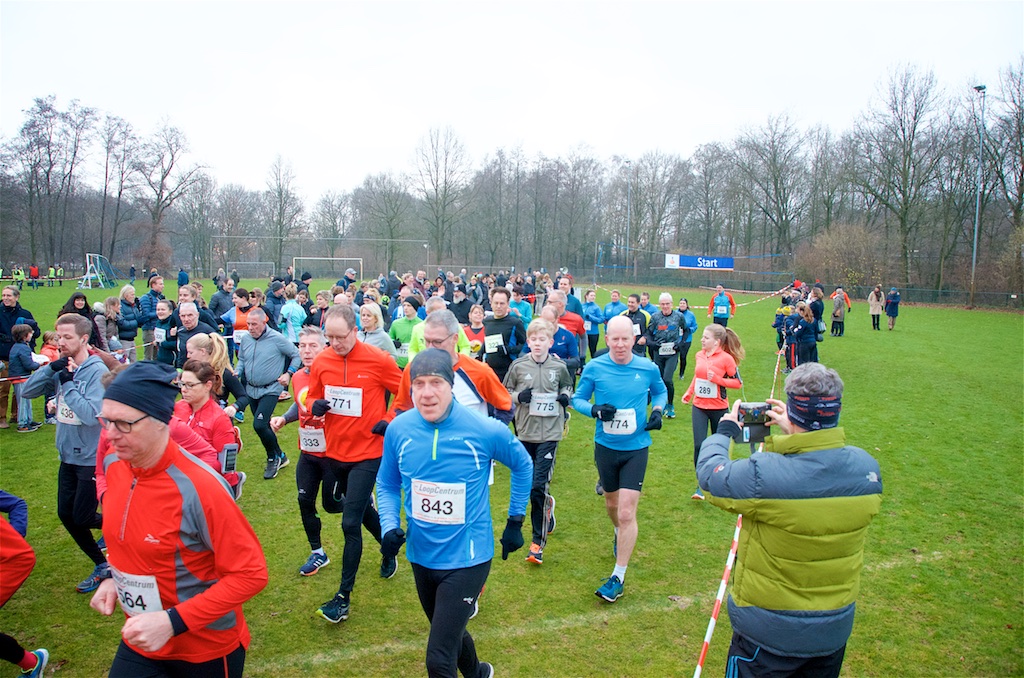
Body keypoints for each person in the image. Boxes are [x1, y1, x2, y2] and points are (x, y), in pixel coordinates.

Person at [696, 363, 882, 678]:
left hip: (768, 635)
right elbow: (811, 477)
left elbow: (711, 477)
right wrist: (794, 434)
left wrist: (725, 431)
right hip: (831, 631)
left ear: (794, 411)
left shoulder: (765, 474)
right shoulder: (867, 469)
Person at [89, 361, 268, 678]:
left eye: (123, 424)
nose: (109, 434)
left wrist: (172, 622)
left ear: (162, 421)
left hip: (204, 649)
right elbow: (132, 539)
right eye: (106, 420)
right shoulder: (114, 465)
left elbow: (251, 574)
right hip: (142, 640)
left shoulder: (201, 489)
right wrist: (112, 577)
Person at [376, 349, 532, 678]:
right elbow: (387, 483)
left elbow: (522, 464)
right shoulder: (399, 430)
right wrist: (388, 525)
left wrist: (515, 521)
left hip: (468, 558)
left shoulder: (484, 429)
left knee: (439, 658)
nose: (427, 393)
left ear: (451, 386)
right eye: (419, 384)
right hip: (421, 554)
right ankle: (478, 673)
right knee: (449, 631)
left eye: (436, 383)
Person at [304, 304, 403, 623]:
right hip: (335, 452)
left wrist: (389, 418)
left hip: (369, 453)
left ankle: (342, 598)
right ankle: (389, 546)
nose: (334, 343)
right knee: (359, 511)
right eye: (329, 337)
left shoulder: (378, 359)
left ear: (355, 331)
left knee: (349, 523)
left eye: (340, 337)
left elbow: (405, 391)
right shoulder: (322, 361)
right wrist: (314, 404)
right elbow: (311, 395)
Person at [572, 316, 667, 602]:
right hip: (606, 447)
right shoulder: (595, 367)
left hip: (636, 448)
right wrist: (594, 410)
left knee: (627, 512)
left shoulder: (647, 367)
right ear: (607, 339)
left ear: (634, 338)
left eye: (626, 339)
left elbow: (660, 391)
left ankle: (618, 577)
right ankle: (618, 531)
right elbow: (578, 399)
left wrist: (658, 411)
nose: (621, 344)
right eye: (615, 339)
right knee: (612, 505)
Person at [21, 313, 110, 593]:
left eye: (67, 337)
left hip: (90, 458)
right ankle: (102, 564)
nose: (61, 342)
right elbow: (27, 392)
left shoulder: (96, 371)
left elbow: (91, 415)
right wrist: (51, 369)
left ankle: (126, 524)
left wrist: (68, 384)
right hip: (67, 456)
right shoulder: (62, 366)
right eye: (59, 336)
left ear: (84, 339)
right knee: (65, 514)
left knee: (82, 516)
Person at [503, 319, 573, 565]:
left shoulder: (559, 366)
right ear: (528, 342)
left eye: (542, 339)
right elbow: (504, 392)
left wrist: (565, 396)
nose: (537, 343)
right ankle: (548, 506)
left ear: (550, 342)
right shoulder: (518, 366)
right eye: (533, 339)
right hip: (525, 432)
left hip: (550, 433)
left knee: (537, 487)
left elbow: (567, 385)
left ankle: (537, 544)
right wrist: (518, 397)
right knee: (527, 485)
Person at [388, 311, 515, 426]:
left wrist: (487, 438)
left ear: (455, 338)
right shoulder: (413, 369)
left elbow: (506, 407)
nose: (430, 347)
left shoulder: (479, 371)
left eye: (437, 342)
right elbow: (401, 408)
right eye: (426, 341)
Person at [236, 308, 301, 480]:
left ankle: (273, 458)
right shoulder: (246, 339)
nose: (250, 328)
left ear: (264, 322)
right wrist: (238, 371)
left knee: (259, 425)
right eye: (248, 324)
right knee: (262, 426)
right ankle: (280, 455)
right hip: (251, 389)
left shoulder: (277, 339)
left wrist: (289, 373)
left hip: (271, 389)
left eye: (254, 324)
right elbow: (242, 359)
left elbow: (296, 355)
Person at [681, 323, 744, 501]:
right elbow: (697, 375)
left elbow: (737, 383)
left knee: (719, 446)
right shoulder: (699, 355)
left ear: (716, 342)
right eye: (702, 336)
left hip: (719, 408)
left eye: (706, 337)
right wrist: (689, 392)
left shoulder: (727, 359)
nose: (702, 340)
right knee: (699, 445)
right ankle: (701, 484)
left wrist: (717, 379)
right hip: (699, 406)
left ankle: (720, 479)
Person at [174, 359, 245, 498]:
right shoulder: (179, 407)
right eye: (182, 384)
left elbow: (224, 465)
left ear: (207, 386)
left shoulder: (219, 419)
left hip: (207, 482)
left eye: (190, 385)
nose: (183, 389)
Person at [0, 491, 48, 678]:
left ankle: (32, 662)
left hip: (13, 561)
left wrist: (15, 537)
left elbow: (16, 504)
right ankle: (31, 662)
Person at [644, 293, 689, 419]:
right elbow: (648, 333)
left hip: (672, 353)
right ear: (660, 305)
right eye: (663, 304)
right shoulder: (655, 317)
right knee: (659, 379)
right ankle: (660, 404)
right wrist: (652, 344)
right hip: (659, 352)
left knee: (667, 379)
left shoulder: (679, 316)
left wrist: (681, 343)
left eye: (667, 304)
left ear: (672, 304)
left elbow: (686, 331)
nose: (665, 306)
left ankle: (670, 405)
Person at [0, 285, 39, 429]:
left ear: (16, 297)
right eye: (4, 295)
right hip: (3, 356)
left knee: (20, 390)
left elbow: (35, 332)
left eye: (9, 295)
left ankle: (17, 416)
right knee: (3, 389)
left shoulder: (25, 314)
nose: (5, 298)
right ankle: (1, 418)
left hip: (21, 357)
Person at [482, 287, 526, 382]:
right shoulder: (486, 322)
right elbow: (486, 341)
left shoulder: (516, 323)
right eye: (496, 303)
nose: (498, 306)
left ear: (508, 304)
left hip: (508, 371)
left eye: (502, 303)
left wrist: (508, 350)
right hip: (489, 370)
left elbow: (524, 345)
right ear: (491, 303)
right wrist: (480, 354)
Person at [8, 324, 42, 432]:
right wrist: (39, 364)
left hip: (21, 377)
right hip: (20, 378)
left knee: (27, 400)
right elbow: (29, 365)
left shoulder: (17, 346)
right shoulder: (23, 348)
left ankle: (29, 420)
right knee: (23, 402)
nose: (32, 335)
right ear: (24, 336)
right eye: (30, 333)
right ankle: (22, 424)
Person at [172, 302, 216, 369]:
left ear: (197, 315)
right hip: (185, 370)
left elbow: (217, 354)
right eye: (183, 316)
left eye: (190, 315)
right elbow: (181, 354)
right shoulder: (181, 331)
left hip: (203, 370)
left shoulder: (208, 331)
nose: (186, 319)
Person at [388, 295, 423, 369]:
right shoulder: (396, 323)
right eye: (404, 305)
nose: (405, 308)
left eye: (409, 306)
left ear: (415, 308)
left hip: (415, 363)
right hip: (398, 363)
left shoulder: (421, 324)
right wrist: (393, 342)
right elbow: (389, 339)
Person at [139, 276, 165, 361]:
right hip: (149, 330)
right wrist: (160, 313)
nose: (163, 286)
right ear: (153, 285)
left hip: (159, 330)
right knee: (148, 356)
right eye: (160, 284)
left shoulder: (160, 298)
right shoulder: (146, 298)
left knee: (158, 356)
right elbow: (145, 315)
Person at [117, 285, 142, 363]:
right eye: (132, 294)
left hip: (132, 338)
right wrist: (136, 322)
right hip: (124, 340)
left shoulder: (133, 306)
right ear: (125, 295)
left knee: (133, 361)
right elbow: (122, 323)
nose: (133, 296)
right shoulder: (120, 306)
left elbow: (139, 319)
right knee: (124, 362)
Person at [676, 298, 699, 380]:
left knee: (683, 356)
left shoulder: (691, 315)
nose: (682, 305)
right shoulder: (675, 313)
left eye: (684, 303)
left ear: (686, 305)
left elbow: (695, 326)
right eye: (681, 303)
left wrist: (689, 330)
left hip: (686, 339)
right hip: (675, 339)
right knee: (673, 356)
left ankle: (681, 374)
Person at [582, 290, 604, 359]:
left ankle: (594, 363)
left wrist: (590, 317)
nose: (593, 297)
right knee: (582, 351)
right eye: (591, 295)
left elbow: (601, 319)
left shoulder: (596, 308)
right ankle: (582, 364)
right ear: (586, 296)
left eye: (594, 296)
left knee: (593, 351)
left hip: (593, 333)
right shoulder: (582, 306)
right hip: (583, 332)